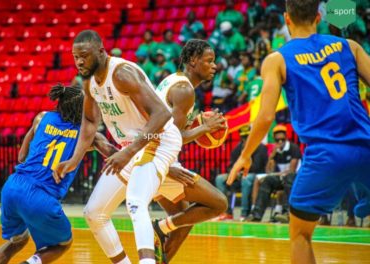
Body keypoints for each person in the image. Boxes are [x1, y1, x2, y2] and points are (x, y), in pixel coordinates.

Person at [227, 0, 370, 263]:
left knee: (301, 234)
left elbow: (266, 116)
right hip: (366, 146)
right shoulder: (349, 47)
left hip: (325, 155)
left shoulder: (277, 59)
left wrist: (245, 155)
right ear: (318, 17)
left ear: (287, 19)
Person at [54, 30, 183, 264]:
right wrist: (74, 160)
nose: (79, 61)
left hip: (158, 139)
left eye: (84, 55)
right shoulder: (89, 81)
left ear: (101, 52)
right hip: (132, 147)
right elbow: (91, 121)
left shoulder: (122, 73)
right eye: (75, 57)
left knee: (135, 201)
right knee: (94, 213)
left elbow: (162, 113)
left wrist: (129, 151)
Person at [0, 84, 114, 264]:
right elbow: (111, 152)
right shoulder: (87, 135)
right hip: (41, 197)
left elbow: (21, 156)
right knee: (63, 243)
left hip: (13, 187)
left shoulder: (42, 117)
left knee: (16, 242)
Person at [152, 39, 228, 262]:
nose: (214, 66)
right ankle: (159, 227)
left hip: (154, 157)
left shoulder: (173, 82)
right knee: (219, 203)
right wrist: (205, 128)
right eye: (209, 61)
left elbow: (168, 130)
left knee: (185, 219)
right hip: (159, 159)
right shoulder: (184, 89)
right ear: (193, 61)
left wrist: (194, 124)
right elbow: (171, 140)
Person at [248, 124, 301, 222]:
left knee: (288, 177)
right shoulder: (276, 151)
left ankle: (287, 213)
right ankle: (256, 214)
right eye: (277, 140)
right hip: (282, 178)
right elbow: (268, 171)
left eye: (282, 139)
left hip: (296, 179)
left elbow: (292, 170)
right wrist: (272, 156)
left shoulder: (294, 148)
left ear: (286, 138)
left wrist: (278, 175)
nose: (280, 142)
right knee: (268, 180)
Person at [215, 125, 268, 221]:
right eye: (243, 137)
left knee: (246, 178)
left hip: (255, 175)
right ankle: (226, 211)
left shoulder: (260, 147)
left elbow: (257, 166)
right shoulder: (237, 149)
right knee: (219, 179)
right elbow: (231, 165)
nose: (245, 139)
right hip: (240, 175)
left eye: (247, 137)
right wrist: (234, 172)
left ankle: (244, 213)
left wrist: (241, 172)